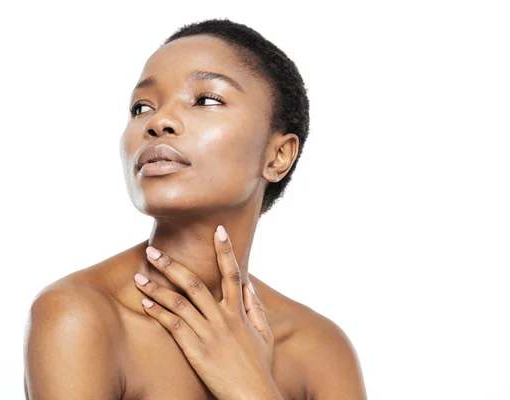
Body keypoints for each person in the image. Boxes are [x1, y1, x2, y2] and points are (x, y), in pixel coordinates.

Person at [23, 18, 366, 400]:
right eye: (141, 107)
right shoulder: (79, 316)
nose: (159, 121)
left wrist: (249, 387)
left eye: (205, 100)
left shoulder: (320, 349)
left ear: (278, 155)